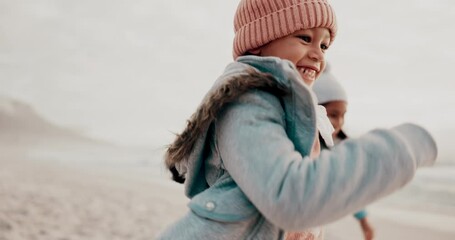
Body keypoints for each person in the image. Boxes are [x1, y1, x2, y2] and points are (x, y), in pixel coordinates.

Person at [158, 0, 437, 239]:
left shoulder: (296, 114)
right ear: (259, 42)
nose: (318, 54)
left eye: (325, 45)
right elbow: (290, 196)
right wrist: (404, 147)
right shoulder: (245, 103)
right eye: (305, 38)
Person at [313, 66, 374, 240]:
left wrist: (364, 221)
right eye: (333, 115)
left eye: (343, 115)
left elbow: (347, 186)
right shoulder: (296, 144)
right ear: (313, 109)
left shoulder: (338, 151)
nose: (339, 122)